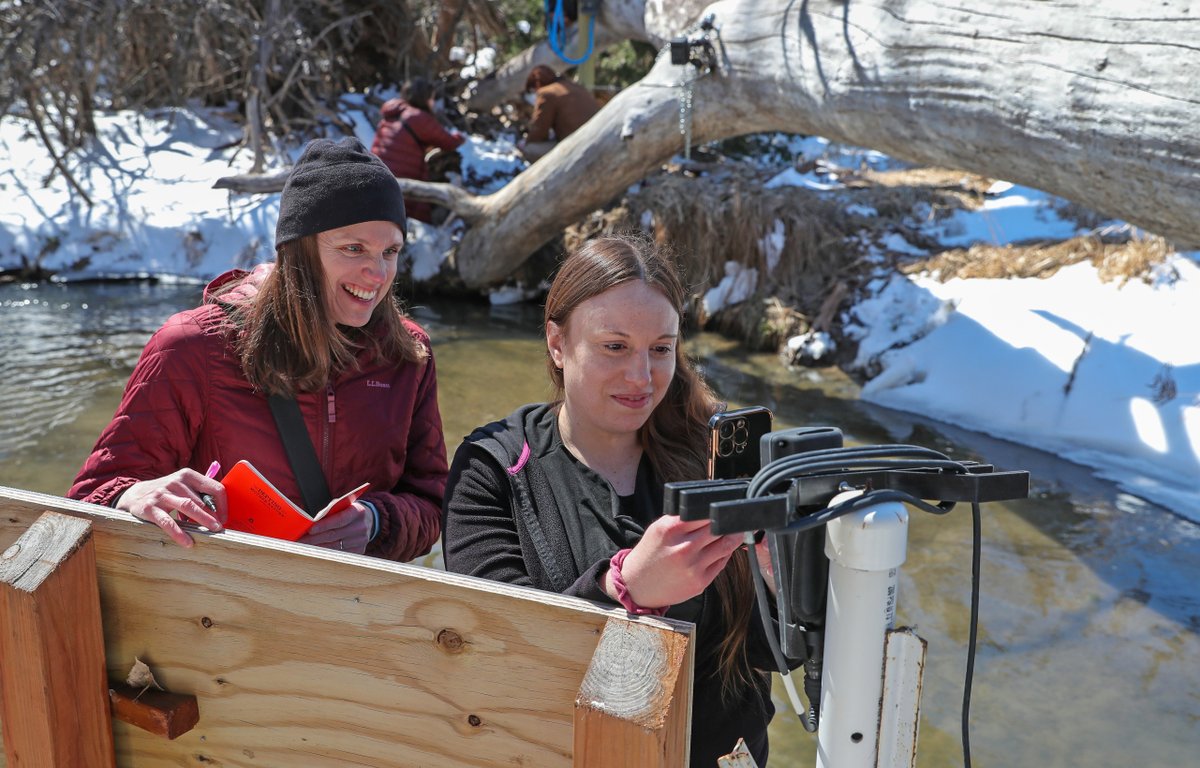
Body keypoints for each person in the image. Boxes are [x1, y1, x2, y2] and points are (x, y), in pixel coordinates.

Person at [441, 234, 782, 766]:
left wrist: (784, 577)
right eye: (615, 346)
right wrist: (626, 591)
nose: (642, 378)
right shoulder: (493, 466)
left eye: (661, 349)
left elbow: (768, 653)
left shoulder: (713, 454)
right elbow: (488, 659)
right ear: (557, 342)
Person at [69, 136, 448, 562]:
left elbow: (432, 501)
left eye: (390, 251)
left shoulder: (409, 354)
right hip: (221, 610)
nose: (378, 273)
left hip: (353, 614)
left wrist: (375, 520)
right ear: (299, 248)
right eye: (353, 248)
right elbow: (90, 497)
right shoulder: (192, 347)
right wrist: (134, 494)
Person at [370, 76, 466, 224]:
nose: (433, 103)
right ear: (425, 98)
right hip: (401, 191)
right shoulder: (418, 117)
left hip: (374, 183)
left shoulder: (393, 113)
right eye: (432, 98)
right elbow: (449, 142)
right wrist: (461, 135)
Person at [517, 64, 600, 162]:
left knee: (530, 149)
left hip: (578, 146)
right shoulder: (576, 87)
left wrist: (526, 141)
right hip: (597, 138)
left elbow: (539, 130)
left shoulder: (546, 93)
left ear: (537, 85)